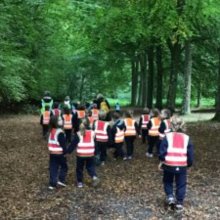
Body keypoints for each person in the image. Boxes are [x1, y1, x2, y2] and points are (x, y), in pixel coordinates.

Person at [158, 116, 194, 211]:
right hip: (182, 165)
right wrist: (189, 164)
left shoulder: (167, 137)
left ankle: (170, 196)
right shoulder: (187, 138)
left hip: (169, 164)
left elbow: (162, 152)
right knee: (181, 184)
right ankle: (179, 203)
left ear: (171, 125)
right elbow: (190, 154)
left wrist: (162, 161)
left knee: (167, 181)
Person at [68, 118, 100, 188]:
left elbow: (73, 145)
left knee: (79, 168)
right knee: (90, 167)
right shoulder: (93, 133)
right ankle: (94, 177)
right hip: (90, 153)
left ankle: (80, 182)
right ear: (89, 124)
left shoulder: (78, 134)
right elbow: (95, 143)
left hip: (81, 154)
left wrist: (68, 151)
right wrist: (96, 152)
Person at [48, 115, 71, 190]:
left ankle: (52, 184)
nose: (62, 120)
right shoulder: (60, 132)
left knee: (53, 168)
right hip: (60, 154)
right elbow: (63, 145)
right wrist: (66, 153)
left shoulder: (51, 131)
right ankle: (61, 180)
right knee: (64, 167)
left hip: (52, 153)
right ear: (56, 122)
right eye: (60, 120)